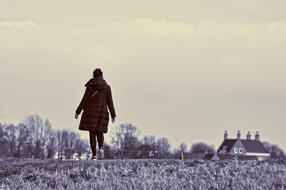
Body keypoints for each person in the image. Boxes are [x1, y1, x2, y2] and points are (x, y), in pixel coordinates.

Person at [75, 68, 116, 160]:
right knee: (100, 132)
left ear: (93, 75)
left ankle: (94, 155)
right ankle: (101, 148)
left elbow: (84, 100)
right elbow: (110, 102)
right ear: (102, 75)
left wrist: (78, 112)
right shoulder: (107, 88)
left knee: (92, 133)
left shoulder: (90, 86)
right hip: (102, 112)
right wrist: (113, 115)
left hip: (91, 113)